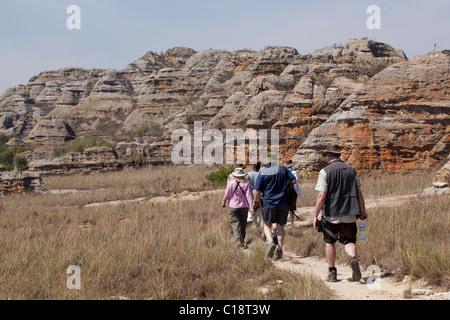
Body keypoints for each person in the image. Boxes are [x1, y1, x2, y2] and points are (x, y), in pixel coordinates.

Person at [313, 145, 368, 282]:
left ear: (329, 156)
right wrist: (362, 211)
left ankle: (332, 273)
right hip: (350, 213)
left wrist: (315, 215)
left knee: (330, 242)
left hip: (332, 214)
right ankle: (353, 259)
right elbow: (359, 193)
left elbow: (322, 196)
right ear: (339, 155)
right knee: (349, 241)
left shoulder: (325, 171)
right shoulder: (351, 170)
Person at [254, 158, 297, 260]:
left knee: (266, 224)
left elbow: (257, 190)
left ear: (264, 164)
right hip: (283, 202)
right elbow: (294, 181)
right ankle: (280, 248)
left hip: (269, 203)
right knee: (281, 227)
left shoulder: (263, 173)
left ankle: (270, 242)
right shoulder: (283, 169)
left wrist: (255, 202)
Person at [222, 167, 254, 249]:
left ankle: (238, 241)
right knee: (243, 223)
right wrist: (251, 208)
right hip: (244, 206)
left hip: (233, 206)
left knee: (235, 223)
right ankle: (242, 240)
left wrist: (224, 202)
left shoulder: (231, 183)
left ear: (235, 176)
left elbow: (226, 194)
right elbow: (249, 197)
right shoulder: (246, 184)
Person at [247, 162, 264, 240]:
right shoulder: (260, 175)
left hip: (249, 194)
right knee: (257, 210)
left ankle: (249, 221)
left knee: (249, 209)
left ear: (253, 166)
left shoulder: (248, 174)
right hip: (258, 195)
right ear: (259, 167)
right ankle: (257, 227)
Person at [284, 160, 302, 227]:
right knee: (292, 207)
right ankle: (292, 223)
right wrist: (298, 192)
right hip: (292, 191)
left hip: (284, 191)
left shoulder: (283, 171)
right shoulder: (293, 172)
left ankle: (284, 222)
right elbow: (295, 184)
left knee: (284, 207)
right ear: (291, 165)